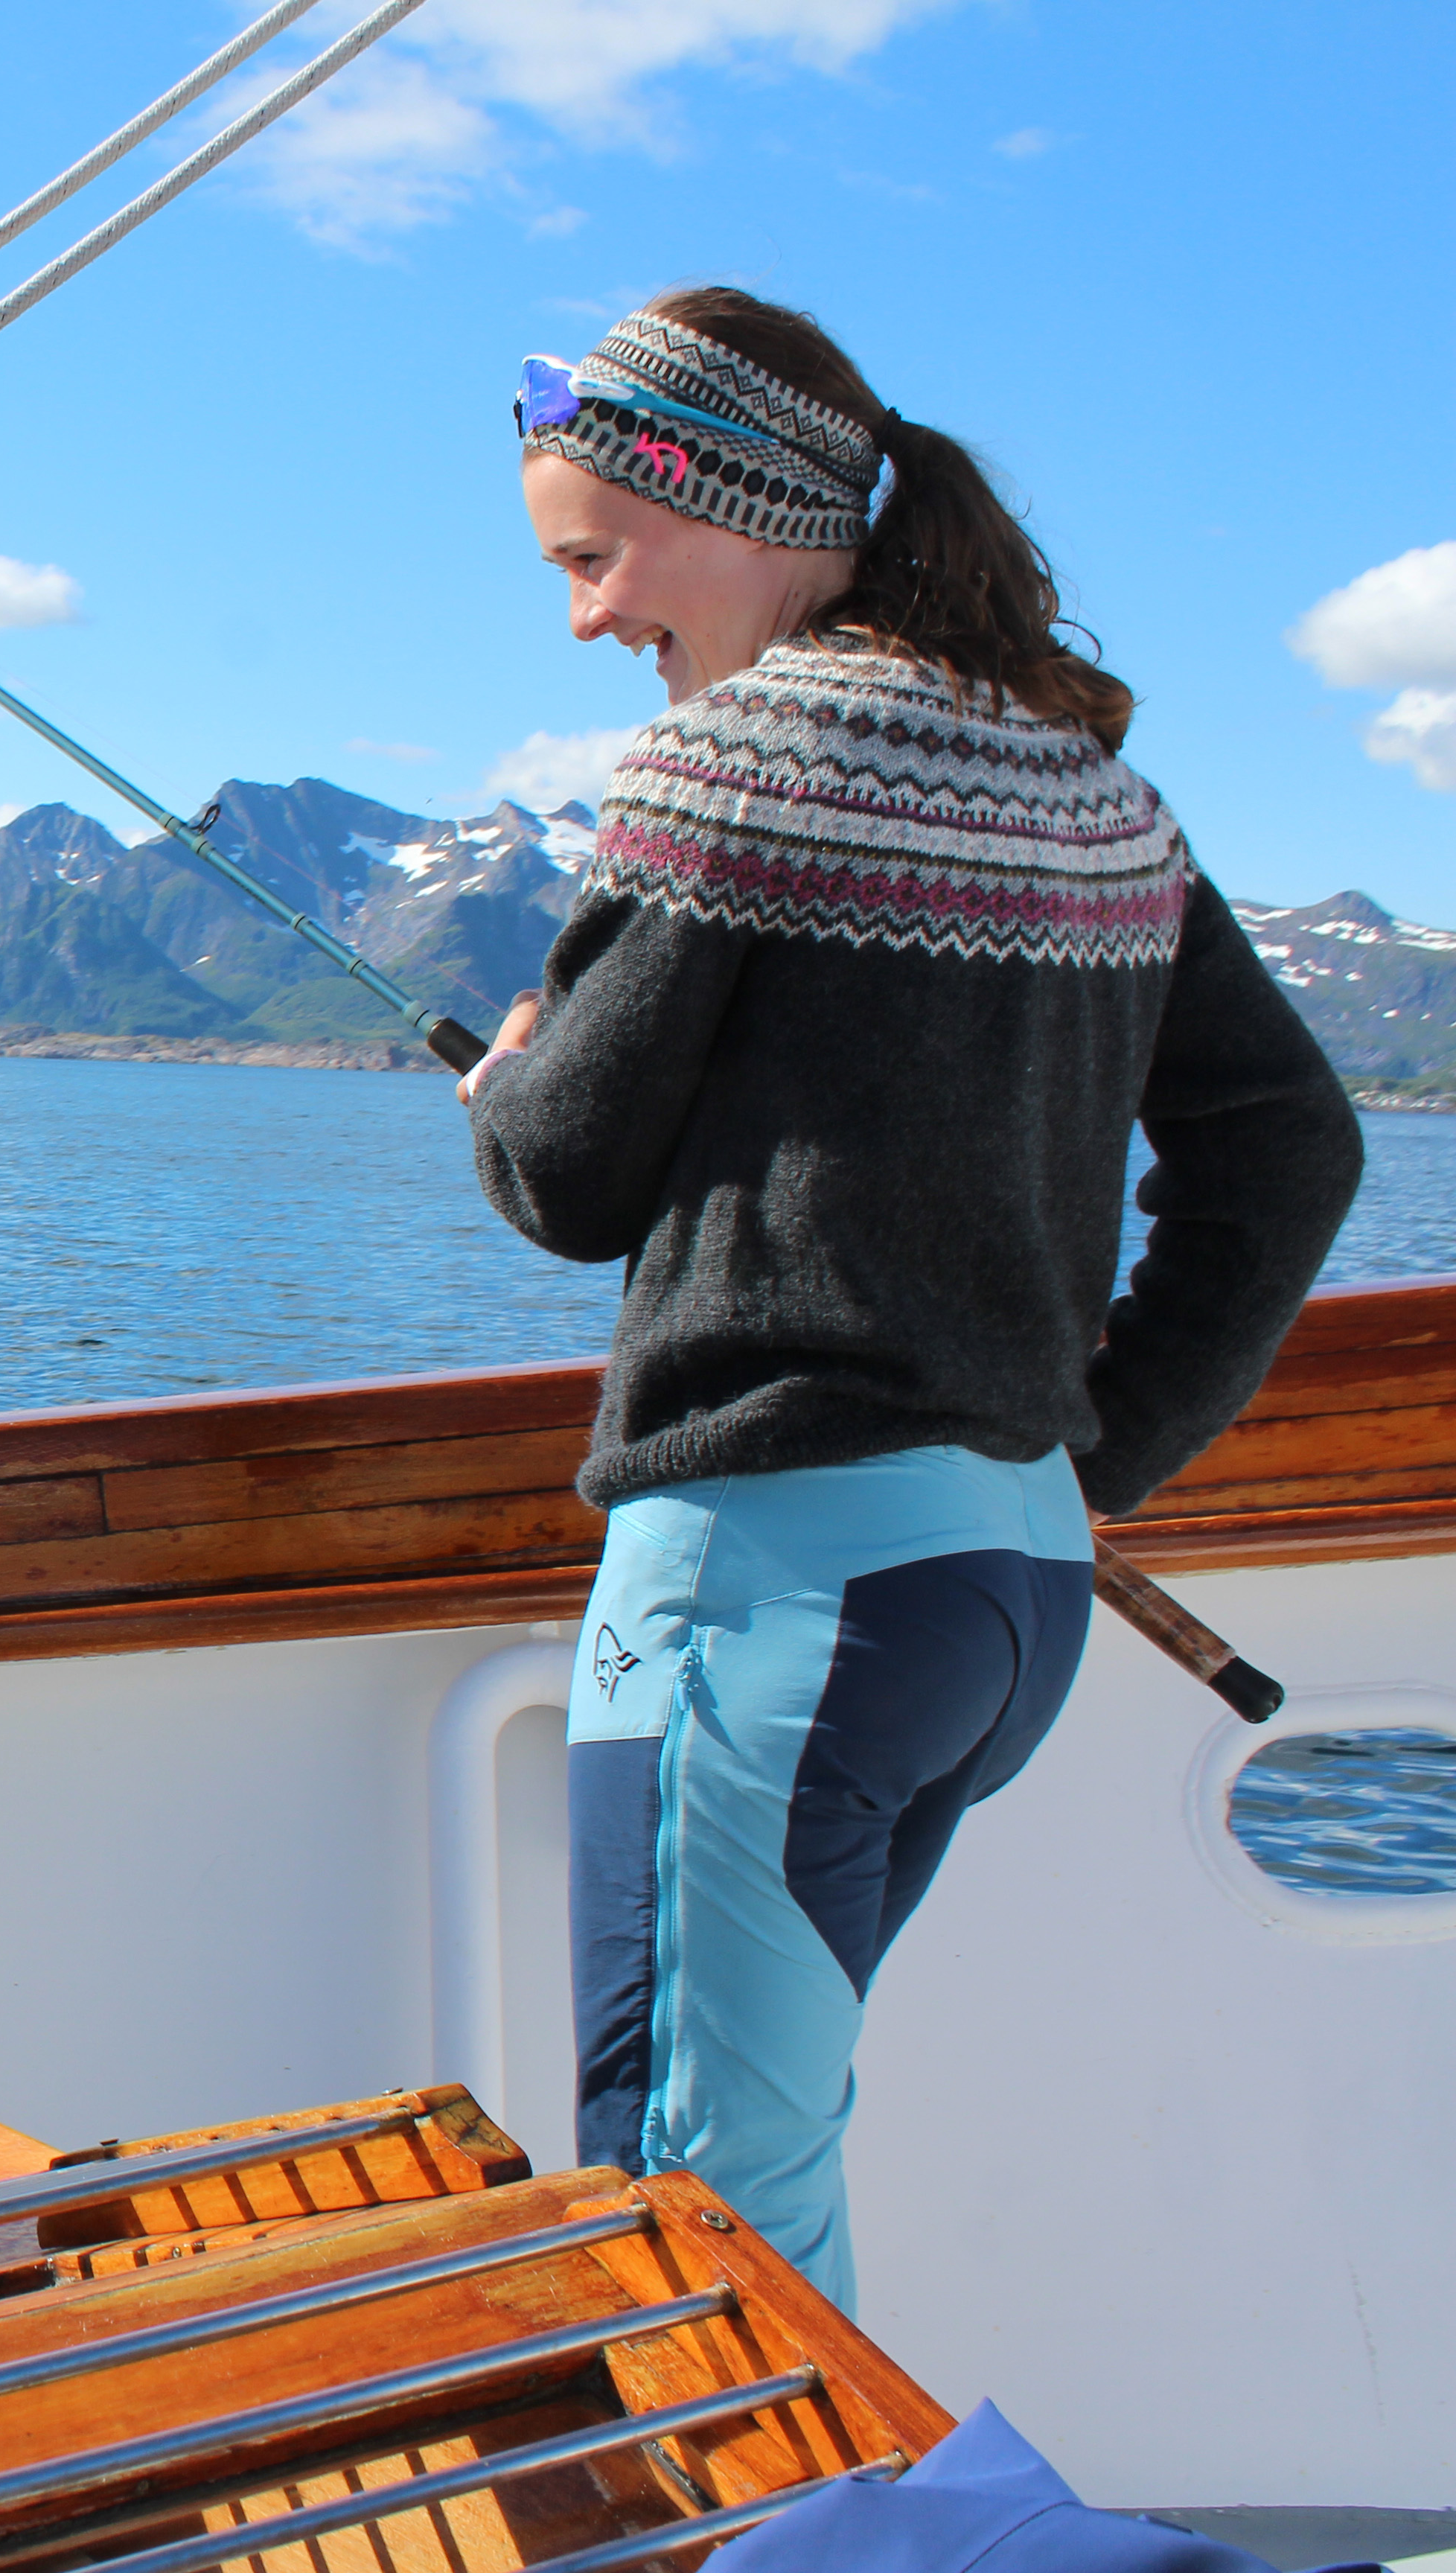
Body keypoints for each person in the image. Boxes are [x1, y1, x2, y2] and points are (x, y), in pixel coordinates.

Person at [466, 291, 1361, 2309]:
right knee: (751, 2162)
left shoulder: (731, 765)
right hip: (1003, 1594)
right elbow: (1292, 1149)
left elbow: (567, 1173)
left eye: (592, 560)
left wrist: (509, 1079)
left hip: (775, 1598)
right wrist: (1092, 1445)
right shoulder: (1089, 789)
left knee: (697, 2209)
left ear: (729, 504)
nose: (588, 624)